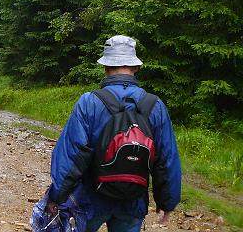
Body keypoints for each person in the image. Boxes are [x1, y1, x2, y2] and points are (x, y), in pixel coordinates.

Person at [46, 35, 181, 232]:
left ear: (105, 67)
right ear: (136, 68)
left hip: (91, 198)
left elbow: (72, 154)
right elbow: (166, 159)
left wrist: (56, 196)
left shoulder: (89, 102)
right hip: (133, 201)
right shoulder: (155, 106)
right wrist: (167, 201)